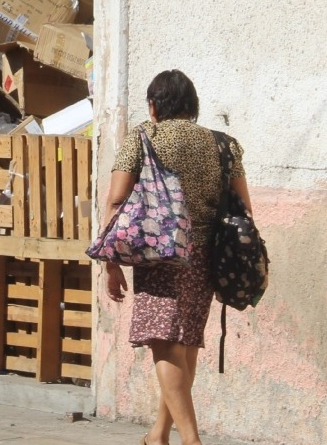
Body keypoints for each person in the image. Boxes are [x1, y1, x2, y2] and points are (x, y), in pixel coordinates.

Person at [103, 70, 252, 445]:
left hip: (158, 253)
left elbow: (117, 201)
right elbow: (244, 208)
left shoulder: (143, 137)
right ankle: (159, 433)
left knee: (164, 343)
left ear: (153, 107)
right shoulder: (224, 145)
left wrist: (111, 261)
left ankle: (191, 440)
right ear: (194, 107)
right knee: (184, 343)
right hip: (205, 254)